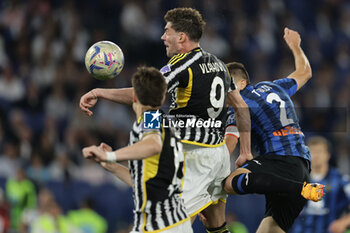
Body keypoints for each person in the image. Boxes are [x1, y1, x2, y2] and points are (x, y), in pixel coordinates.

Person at [80, 7, 252, 233]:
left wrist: (100, 92)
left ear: (181, 37)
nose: (162, 37)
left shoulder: (180, 66)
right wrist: (245, 151)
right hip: (217, 154)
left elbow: (146, 95)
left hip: (194, 157)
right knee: (215, 222)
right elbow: (240, 106)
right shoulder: (220, 65)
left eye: (167, 31)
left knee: (172, 222)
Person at [222, 28, 324, 233]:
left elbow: (228, 146)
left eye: (225, 85)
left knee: (230, 182)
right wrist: (296, 45)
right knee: (269, 229)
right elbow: (305, 72)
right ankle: (302, 188)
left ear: (242, 83)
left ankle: (301, 189)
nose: (223, 92)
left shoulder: (240, 103)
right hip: (302, 167)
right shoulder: (275, 87)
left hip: (279, 162)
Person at [82, 66, 192, 233]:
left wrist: (111, 155)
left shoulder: (150, 119)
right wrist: (110, 165)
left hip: (158, 224)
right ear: (162, 99)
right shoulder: (164, 122)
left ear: (134, 96)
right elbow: (140, 183)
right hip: (175, 221)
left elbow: (153, 144)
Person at [289, 136, 350, 233]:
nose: (316, 155)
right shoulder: (296, 180)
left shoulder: (341, 180)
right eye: (312, 151)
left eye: (320, 151)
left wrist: (344, 222)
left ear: (328, 155)